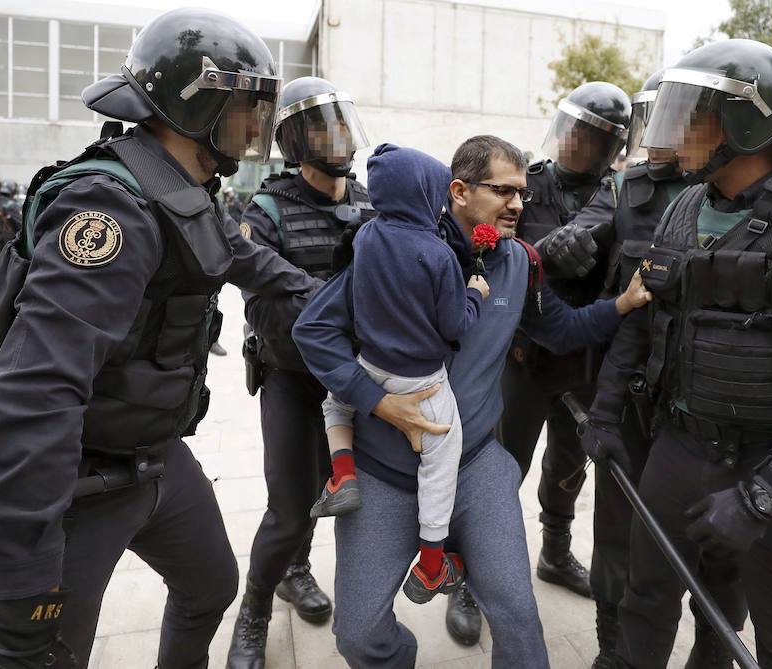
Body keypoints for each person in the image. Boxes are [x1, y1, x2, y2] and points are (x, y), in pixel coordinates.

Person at [0, 8, 324, 668]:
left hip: (154, 455)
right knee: (46, 653)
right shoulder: (109, 209)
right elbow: (35, 396)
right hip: (75, 482)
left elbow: (248, 259)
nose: (255, 127)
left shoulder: (184, 187)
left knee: (211, 586)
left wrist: (335, 302)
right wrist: (23, 577)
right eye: (245, 109)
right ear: (194, 106)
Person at [291, 134, 651, 668]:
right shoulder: (391, 248)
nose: (517, 204)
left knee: (519, 618)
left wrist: (621, 304)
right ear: (458, 191)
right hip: (384, 471)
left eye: (522, 193)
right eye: (503, 191)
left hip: (476, 465)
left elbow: (561, 329)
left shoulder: (519, 262)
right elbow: (314, 330)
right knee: (359, 636)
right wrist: (378, 402)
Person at [581, 39, 772, 669]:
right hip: (678, 446)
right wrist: (605, 414)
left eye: (691, 117)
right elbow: (644, 318)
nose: (673, 134)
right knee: (643, 602)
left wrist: (764, 496)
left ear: (744, 123)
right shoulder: (683, 208)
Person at [536, 70, 744, 668]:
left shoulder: (743, 190)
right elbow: (582, 231)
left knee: (722, 549)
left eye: (682, 120)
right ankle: (612, 649)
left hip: (720, 404)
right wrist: (559, 246)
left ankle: (713, 654)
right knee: (619, 537)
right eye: (659, 119)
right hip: (631, 398)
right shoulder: (626, 187)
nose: (666, 135)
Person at [226, 75, 376, 668]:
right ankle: (255, 612)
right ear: (294, 141)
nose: (338, 139)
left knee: (339, 493)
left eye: (341, 125)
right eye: (322, 129)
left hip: (359, 380)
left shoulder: (370, 201)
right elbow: (264, 312)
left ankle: (297, 570)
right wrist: (344, 307)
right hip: (292, 377)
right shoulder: (264, 210)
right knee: (288, 509)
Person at [312, 142, 490, 608]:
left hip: (371, 366)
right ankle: (431, 566)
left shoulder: (366, 237)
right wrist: (475, 294)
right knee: (441, 462)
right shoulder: (437, 254)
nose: (443, 204)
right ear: (423, 193)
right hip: (422, 382)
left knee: (335, 402)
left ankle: (342, 474)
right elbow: (455, 325)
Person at [487, 82, 630, 629]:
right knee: (500, 468)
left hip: (583, 358)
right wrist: (540, 253)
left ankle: (554, 552)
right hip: (524, 357)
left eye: (590, 137)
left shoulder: (622, 194)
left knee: (570, 466)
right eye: (572, 130)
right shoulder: (527, 184)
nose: (575, 143)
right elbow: (489, 246)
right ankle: (472, 572)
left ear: (609, 147)